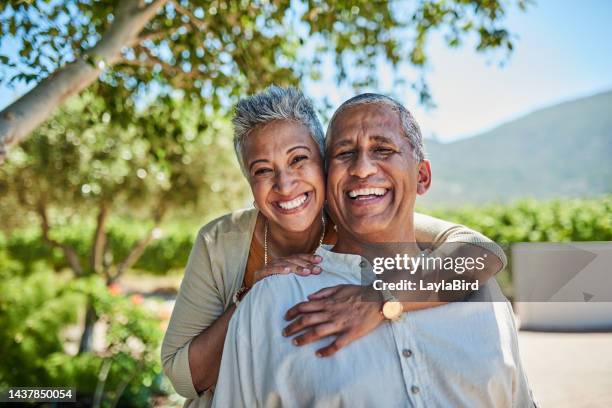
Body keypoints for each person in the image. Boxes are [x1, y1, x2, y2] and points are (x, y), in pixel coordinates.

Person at [161, 87, 508, 406]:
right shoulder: (221, 241)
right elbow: (183, 377)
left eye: (299, 160)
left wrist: (380, 300)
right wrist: (248, 299)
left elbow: (481, 251)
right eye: (263, 170)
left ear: (323, 163)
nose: (285, 184)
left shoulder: (358, 215)